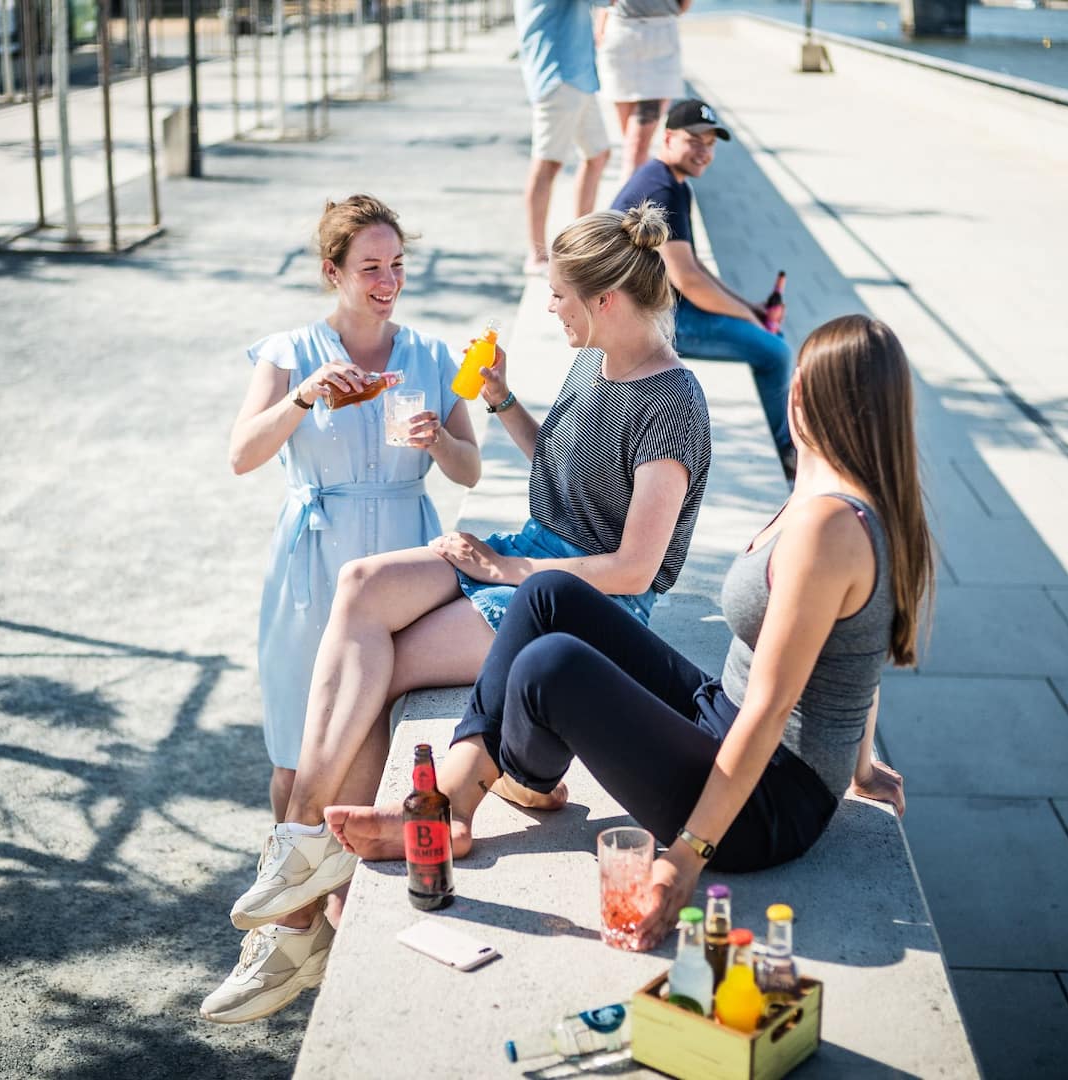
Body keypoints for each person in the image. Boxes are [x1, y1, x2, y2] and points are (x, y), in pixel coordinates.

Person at [201, 205, 711, 1023]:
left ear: (607, 299)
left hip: (582, 601)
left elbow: (633, 568)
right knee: (361, 585)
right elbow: (564, 461)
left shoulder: (673, 402)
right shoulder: (599, 362)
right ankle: (304, 852)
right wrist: (505, 399)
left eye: (559, 295)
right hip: (529, 551)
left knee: (387, 664)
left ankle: (300, 887)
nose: (550, 308)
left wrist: (507, 567)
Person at [329, 314, 934, 957]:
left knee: (552, 667)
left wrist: (685, 861)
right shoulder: (837, 500)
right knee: (548, 596)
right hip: (720, 720)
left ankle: (487, 787)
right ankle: (454, 802)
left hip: (764, 805)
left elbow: (772, 708)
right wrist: (861, 768)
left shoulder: (829, 528)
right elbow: (854, 658)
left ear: (803, 397)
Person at [213, 194, 481, 1023]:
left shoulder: (434, 354)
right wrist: (301, 398)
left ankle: (317, 926)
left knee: (372, 746)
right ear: (332, 272)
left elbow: (469, 471)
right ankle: (291, 923)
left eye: (397, 264)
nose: (387, 281)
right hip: (313, 560)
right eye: (370, 267)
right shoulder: (291, 352)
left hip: (401, 556)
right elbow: (240, 455)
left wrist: (439, 438)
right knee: (299, 753)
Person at [611, 98, 796, 475]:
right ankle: (788, 455)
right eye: (695, 140)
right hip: (651, 321)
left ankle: (786, 445)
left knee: (765, 338)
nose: (704, 152)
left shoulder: (672, 183)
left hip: (662, 307)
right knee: (775, 352)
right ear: (668, 138)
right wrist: (751, 318)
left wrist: (751, 307)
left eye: (710, 144)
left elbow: (693, 265)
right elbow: (688, 281)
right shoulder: (659, 191)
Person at [517, 0, 615, 276]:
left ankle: (579, 243)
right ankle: (535, 255)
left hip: (578, 77)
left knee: (598, 154)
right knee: (548, 164)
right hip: (558, 77)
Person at [594, 0, 692, 178]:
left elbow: (682, 7)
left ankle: (630, 201)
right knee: (631, 143)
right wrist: (600, 27)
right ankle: (634, 195)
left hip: (658, 42)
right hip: (620, 37)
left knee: (636, 146)